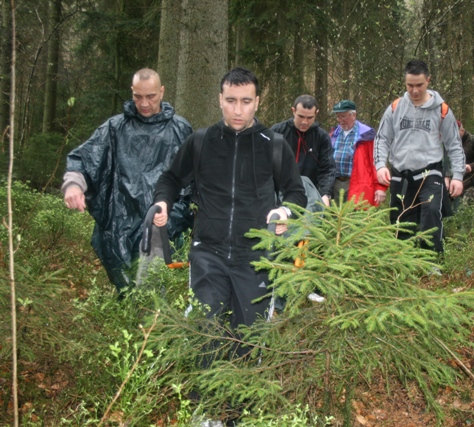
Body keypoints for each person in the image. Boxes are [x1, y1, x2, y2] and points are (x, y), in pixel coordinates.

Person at [151, 67, 306, 355]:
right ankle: (201, 399)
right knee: (205, 332)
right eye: (231, 100)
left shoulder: (274, 145)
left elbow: (296, 193)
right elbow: (170, 179)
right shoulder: (201, 142)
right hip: (208, 252)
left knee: (247, 340)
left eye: (246, 101)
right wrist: (163, 201)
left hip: (257, 258)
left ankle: (241, 401)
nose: (238, 109)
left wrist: (285, 212)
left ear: (257, 102)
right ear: (220, 99)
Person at [62, 68, 193, 292]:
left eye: (150, 96)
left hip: (162, 225)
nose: (144, 103)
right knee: (127, 289)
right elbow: (85, 158)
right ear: (132, 92)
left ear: (161, 92)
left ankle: (149, 324)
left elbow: (194, 180)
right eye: (138, 96)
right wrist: (74, 184)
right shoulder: (115, 128)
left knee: (153, 292)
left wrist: (174, 217)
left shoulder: (180, 129)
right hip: (120, 222)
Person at [374, 59, 465, 253]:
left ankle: (432, 262)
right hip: (401, 173)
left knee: (431, 213)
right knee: (401, 220)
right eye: (410, 85)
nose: (414, 91)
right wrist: (381, 165)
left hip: (429, 172)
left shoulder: (442, 111)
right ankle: (403, 262)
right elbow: (382, 139)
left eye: (419, 85)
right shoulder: (395, 108)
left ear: (428, 81)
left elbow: (454, 146)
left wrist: (457, 176)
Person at [271, 94, 336, 207]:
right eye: (301, 116)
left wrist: (325, 194)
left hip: (310, 194)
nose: (305, 122)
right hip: (280, 192)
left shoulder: (322, 137)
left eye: (310, 118)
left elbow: (328, 169)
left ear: (316, 113)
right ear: (293, 111)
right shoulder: (277, 132)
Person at [330, 99, 387, 207]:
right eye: (338, 116)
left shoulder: (366, 135)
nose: (340, 120)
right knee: (335, 219)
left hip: (357, 184)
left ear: (353, 115)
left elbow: (375, 162)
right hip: (335, 183)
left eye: (343, 116)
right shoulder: (334, 134)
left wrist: (380, 187)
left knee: (355, 219)